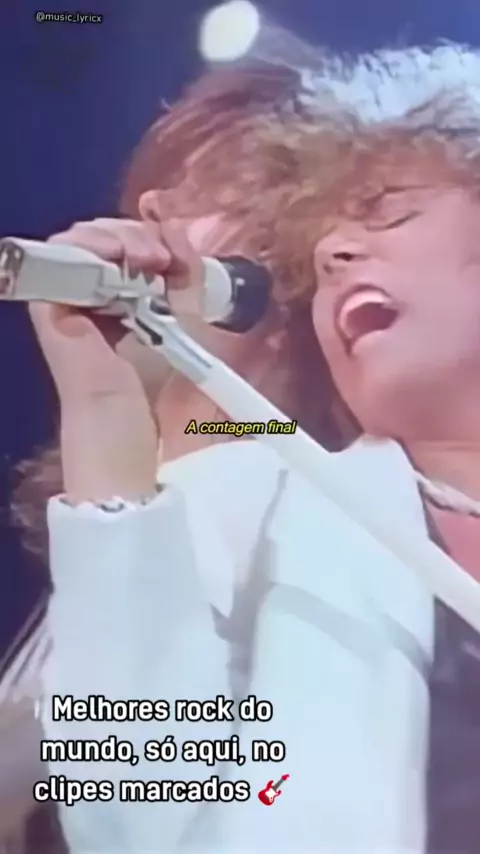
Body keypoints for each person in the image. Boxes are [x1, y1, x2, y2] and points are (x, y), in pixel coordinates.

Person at [33, 42, 480, 853]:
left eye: (386, 211)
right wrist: (103, 406)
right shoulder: (261, 500)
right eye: (317, 255)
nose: (334, 255)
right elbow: (128, 812)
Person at [0, 58, 345, 854]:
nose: (150, 208)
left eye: (215, 189)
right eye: (152, 192)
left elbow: (135, 809)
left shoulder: (308, 512)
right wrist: (102, 405)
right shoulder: (153, 502)